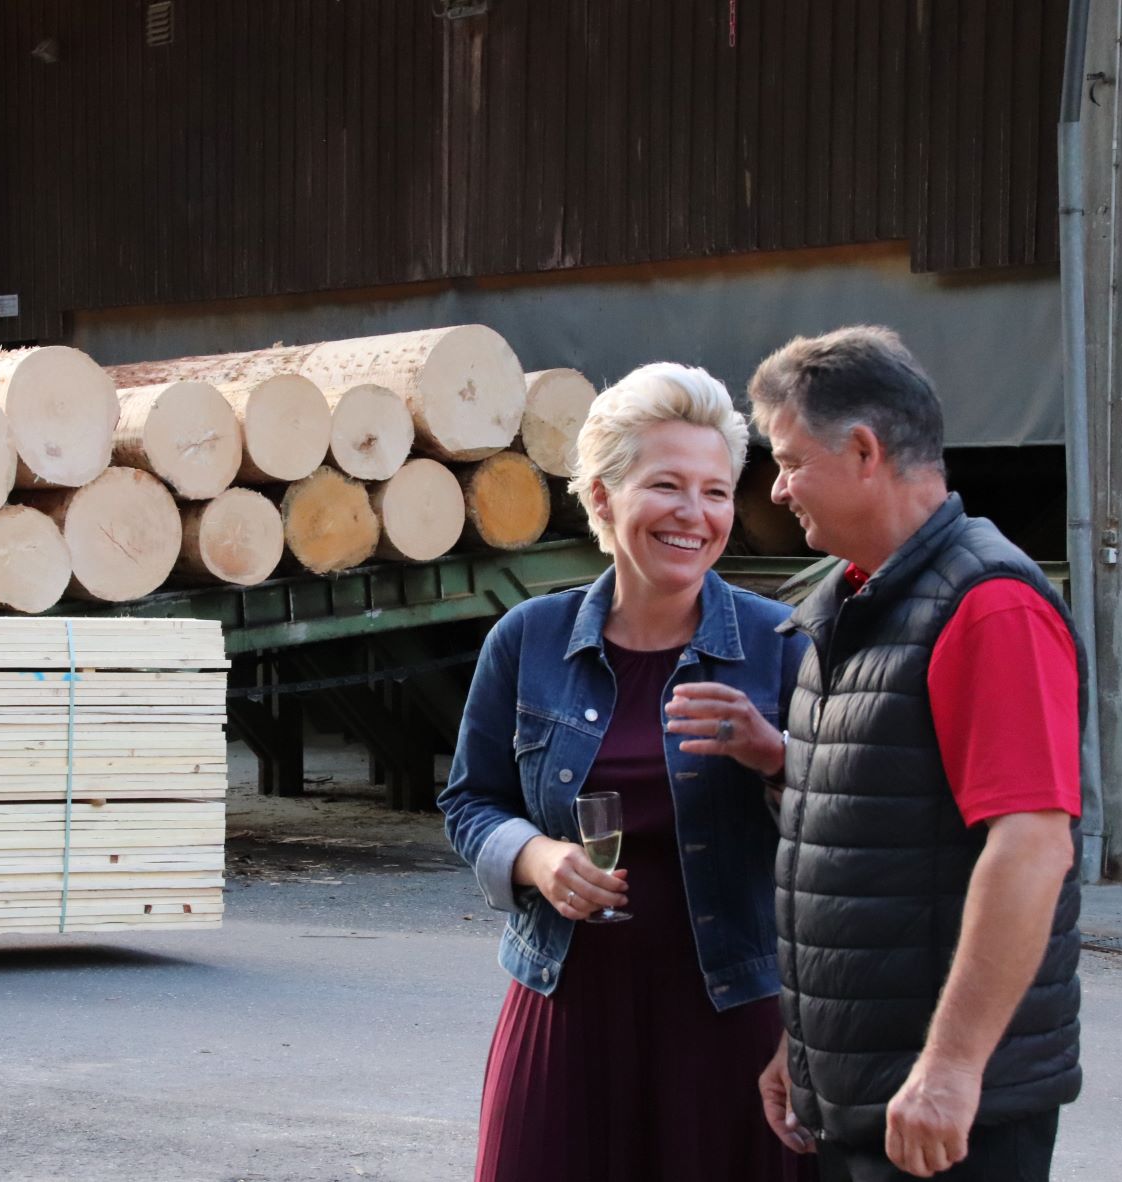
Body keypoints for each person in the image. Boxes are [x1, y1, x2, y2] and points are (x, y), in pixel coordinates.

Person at [439, 362, 816, 1182]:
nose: (694, 514)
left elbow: (848, 832)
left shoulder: (781, 645)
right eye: (666, 485)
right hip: (565, 1007)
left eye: (715, 492)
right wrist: (535, 858)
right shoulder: (528, 639)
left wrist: (776, 756)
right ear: (602, 497)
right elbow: (470, 801)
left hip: (734, 1019)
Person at [740, 326, 1083, 1181]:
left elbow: (1031, 848)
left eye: (788, 462)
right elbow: (855, 857)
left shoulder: (988, 607)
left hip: (943, 1114)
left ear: (863, 451)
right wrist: (806, 1044)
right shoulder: (852, 606)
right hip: (869, 1094)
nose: (776, 490)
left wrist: (953, 1068)